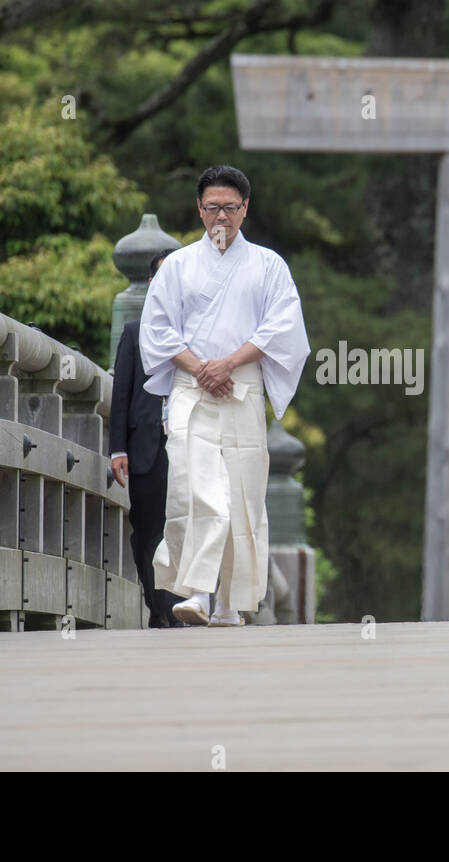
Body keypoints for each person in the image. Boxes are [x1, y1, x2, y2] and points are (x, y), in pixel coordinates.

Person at [139, 165, 310, 626]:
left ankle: (231, 605)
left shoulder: (268, 265)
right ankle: (197, 591)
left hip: (241, 389)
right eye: (212, 207)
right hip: (192, 390)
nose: (221, 217)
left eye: (230, 208)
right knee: (195, 490)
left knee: (242, 497)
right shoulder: (177, 266)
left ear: (245, 208)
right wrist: (201, 368)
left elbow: (283, 328)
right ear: (199, 208)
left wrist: (228, 363)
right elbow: (157, 328)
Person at [110, 251, 182, 628]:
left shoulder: (200, 331)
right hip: (145, 448)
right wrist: (118, 449)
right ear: (153, 285)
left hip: (187, 443)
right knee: (149, 529)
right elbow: (120, 393)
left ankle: (175, 606)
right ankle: (158, 605)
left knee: (184, 525)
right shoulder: (135, 332)